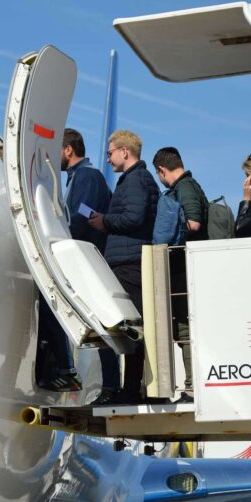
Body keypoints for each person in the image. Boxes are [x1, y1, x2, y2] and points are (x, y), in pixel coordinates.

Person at [35, 128, 111, 392]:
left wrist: (62, 240)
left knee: (52, 304)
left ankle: (67, 368)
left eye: (57, 150)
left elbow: (82, 215)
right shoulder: (76, 178)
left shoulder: (88, 176)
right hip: (79, 253)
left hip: (82, 257)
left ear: (68, 150)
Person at [88, 130, 159, 405]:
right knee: (133, 327)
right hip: (131, 260)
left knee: (127, 328)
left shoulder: (134, 181)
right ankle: (130, 388)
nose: (107, 158)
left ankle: (128, 390)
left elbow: (133, 217)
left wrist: (105, 222)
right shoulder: (136, 179)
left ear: (124, 152)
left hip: (129, 263)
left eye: (110, 152)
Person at [152, 147, 207, 403]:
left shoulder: (185, 188)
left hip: (185, 270)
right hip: (187, 269)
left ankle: (191, 387)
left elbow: (194, 222)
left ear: (162, 170)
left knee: (185, 329)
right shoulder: (189, 186)